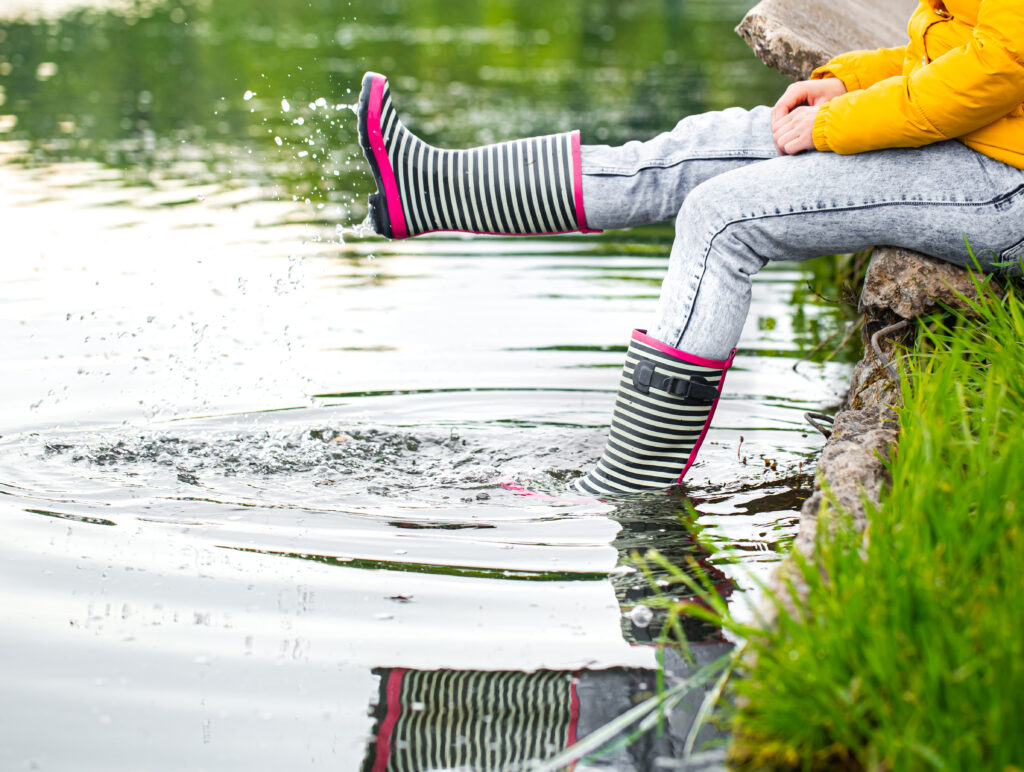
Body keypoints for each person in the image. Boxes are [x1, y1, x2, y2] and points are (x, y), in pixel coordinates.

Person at [357, 0, 1024, 497]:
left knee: (722, 218)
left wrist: (836, 123)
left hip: (1005, 179)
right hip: (984, 136)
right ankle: (429, 192)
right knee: (699, 147)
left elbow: (1001, 66)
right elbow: (963, 44)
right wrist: (850, 81)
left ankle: (629, 485)